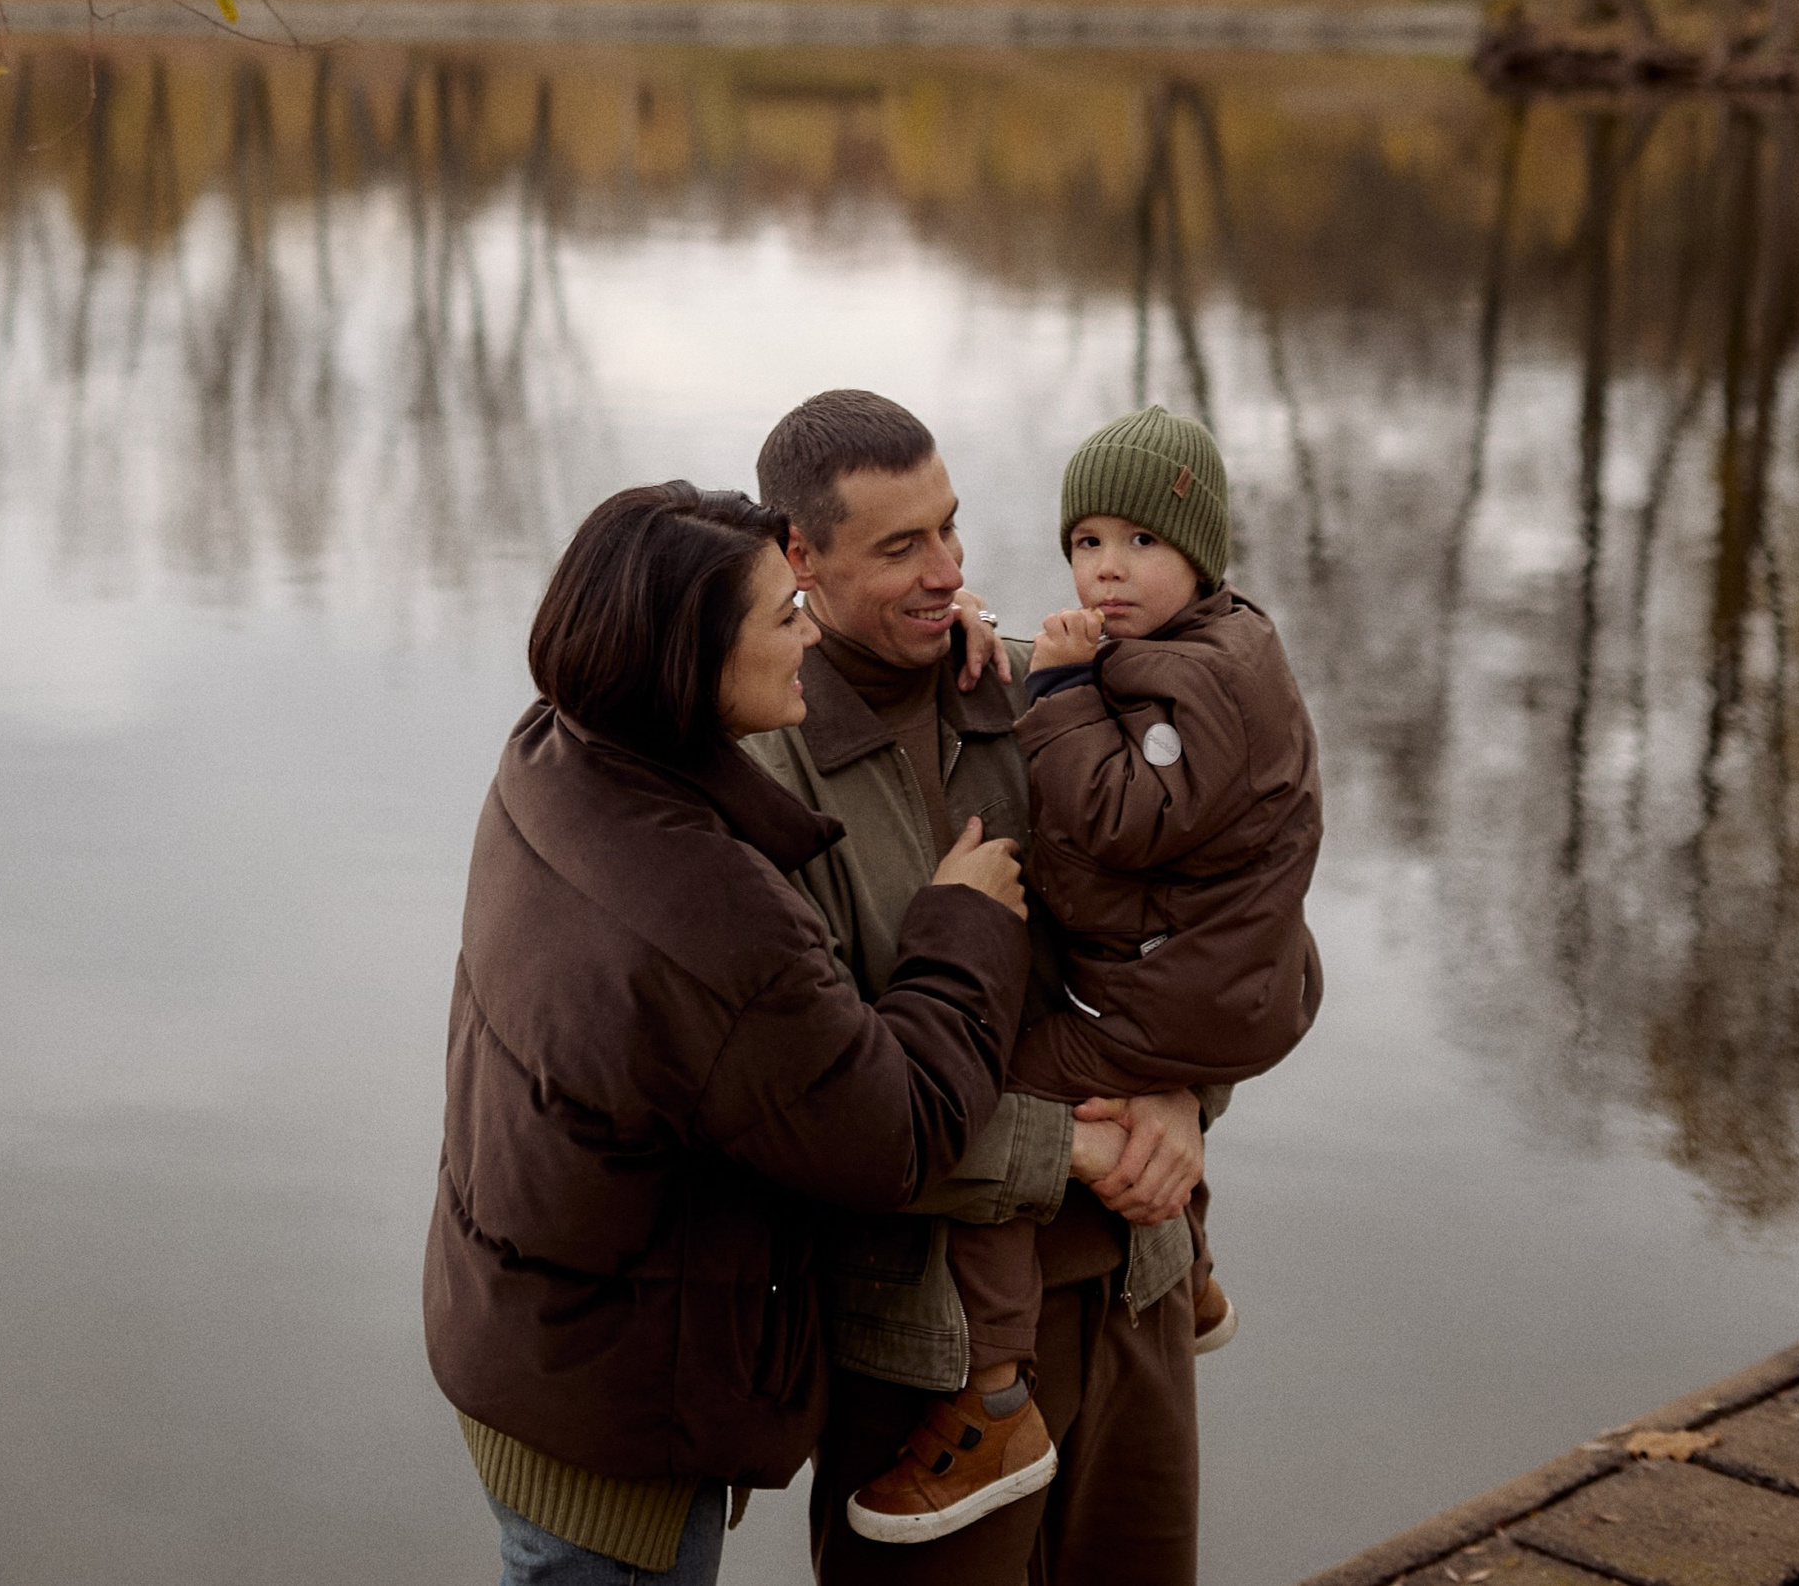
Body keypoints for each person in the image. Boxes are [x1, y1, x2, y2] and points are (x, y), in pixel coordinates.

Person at [426, 479, 1120, 1586]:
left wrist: (944, 627)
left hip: (535, 1336)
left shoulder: (558, 754)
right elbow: (896, 1131)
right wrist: (964, 922)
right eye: (784, 617)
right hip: (624, 1416)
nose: (807, 633)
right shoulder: (705, 920)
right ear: (688, 663)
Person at [740, 388, 1214, 1586]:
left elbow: (1244, 923)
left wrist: (1187, 1093)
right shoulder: (757, 776)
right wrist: (1073, 1147)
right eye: (900, 547)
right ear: (798, 554)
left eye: (950, 528)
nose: (946, 570)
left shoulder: (1051, 684)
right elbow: (817, 1110)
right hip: (926, 1349)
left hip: (1138, 1281)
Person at [844, 405, 1322, 1545]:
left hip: (1169, 1047)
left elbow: (1130, 820)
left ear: (1200, 553)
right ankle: (1157, 1281)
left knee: (1001, 1077)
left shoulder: (1166, 681)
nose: (1106, 569)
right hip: (1213, 996)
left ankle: (997, 1391)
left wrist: (1055, 694)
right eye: (1086, 542)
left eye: (1139, 544)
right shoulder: (1213, 649)